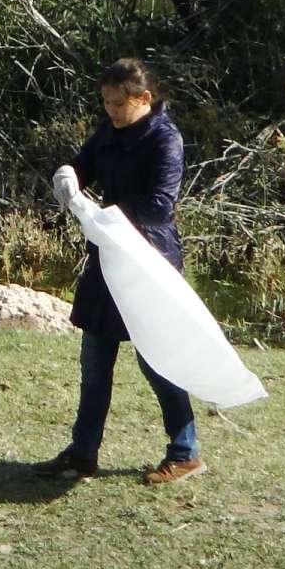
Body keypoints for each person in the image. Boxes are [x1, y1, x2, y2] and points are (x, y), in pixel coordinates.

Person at [38, 57, 206, 485]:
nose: (111, 111)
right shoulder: (109, 133)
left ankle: (185, 452)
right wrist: (68, 177)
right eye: (106, 103)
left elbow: (160, 206)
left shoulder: (164, 139)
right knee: (95, 361)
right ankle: (82, 454)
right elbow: (84, 164)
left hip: (150, 259)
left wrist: (102, 213)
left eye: (118, 103)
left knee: (156, 360)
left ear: (143, 98)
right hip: (107, 257)